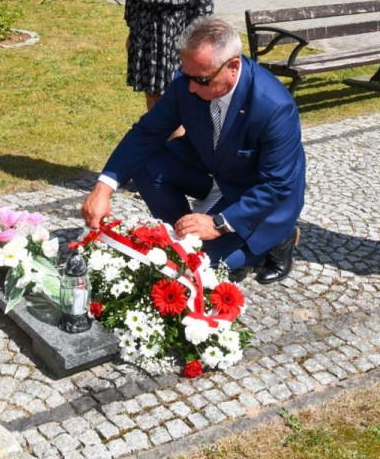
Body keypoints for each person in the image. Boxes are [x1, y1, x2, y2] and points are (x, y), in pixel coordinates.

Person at [82, 18, 306, 284]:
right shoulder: (188, 81)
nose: (190, 87)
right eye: (186, 75)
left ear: (233, 67)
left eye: (200, 80)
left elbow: (276, 186)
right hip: (211, 171)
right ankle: (184, 232)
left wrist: (218, 224)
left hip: (255, 194)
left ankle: (281, 237)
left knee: (199, 267)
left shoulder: (274, 107)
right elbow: (146, 133)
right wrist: (103, 188)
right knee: (179, 252)